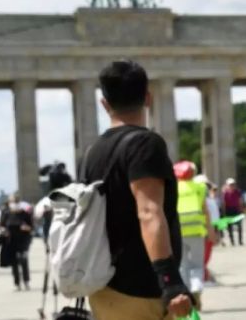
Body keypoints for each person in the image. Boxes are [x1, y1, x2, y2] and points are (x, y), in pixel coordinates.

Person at [85, 60, 193, 320]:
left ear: (104, 103)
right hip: (142, 289)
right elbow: (148, 211)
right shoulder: (145, 144)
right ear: (148, 97)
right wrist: (170, 281)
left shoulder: (91, 153)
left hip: (105, 288)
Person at [175, 161, 219, 308]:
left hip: (179, 231)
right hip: (196, 231)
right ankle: (196, 288)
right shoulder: (200, 187)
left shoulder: (173, 188)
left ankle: (186, 293)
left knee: (182, 265)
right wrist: (211, 232)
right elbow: (205, 211)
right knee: (197, 264)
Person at [0, 193, 33, 290]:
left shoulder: (24, 213)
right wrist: (4, 231)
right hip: (11, 241)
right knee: (14, 263)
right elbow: (2, 225)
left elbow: (31, 227)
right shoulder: (6, 213)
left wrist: (26, 227)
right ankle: (17, 283)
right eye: (12, 201)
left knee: (23, 261)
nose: (14, 203)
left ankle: (26, 281)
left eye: (16, 201)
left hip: (23, 241)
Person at [222, 178, 245, 246]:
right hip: (229, 210)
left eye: (233, 184)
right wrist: (224, 212)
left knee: (239, 226)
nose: (232, 186)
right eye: (230, 185)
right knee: (230, 227)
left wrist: (241, 209)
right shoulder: (225, 193)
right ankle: (232, 241)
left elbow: (240, 201)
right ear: (227, 185)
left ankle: (240, 241)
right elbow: (224, 203)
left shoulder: (237, 192)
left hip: (236, 210)